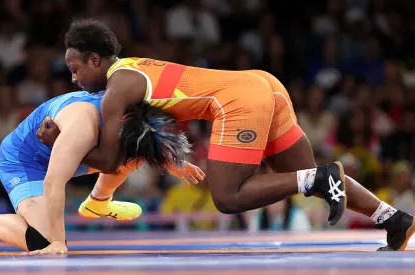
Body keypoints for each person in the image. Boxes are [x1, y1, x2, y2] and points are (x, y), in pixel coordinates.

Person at [37, 17, 415, 252]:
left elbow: (110, 159)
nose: (73, 79)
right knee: (311, 181)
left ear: (95, 60)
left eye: (75, 69)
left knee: (227, 197)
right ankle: (394, 219)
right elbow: (141, 142)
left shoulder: (116, 90)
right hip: (262, 84)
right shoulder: (133, 68)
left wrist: (58, 143)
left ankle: (321, 177)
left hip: (238, 98)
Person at [0, 90, 204, 255]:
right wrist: (57, 242)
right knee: (42, 242)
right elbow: (55, 182)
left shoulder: (132, 109)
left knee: (128, 156)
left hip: (68, 150)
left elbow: (145, 137)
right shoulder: (82, 127)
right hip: (25, 162)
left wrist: (169, 160)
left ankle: (98, 202)